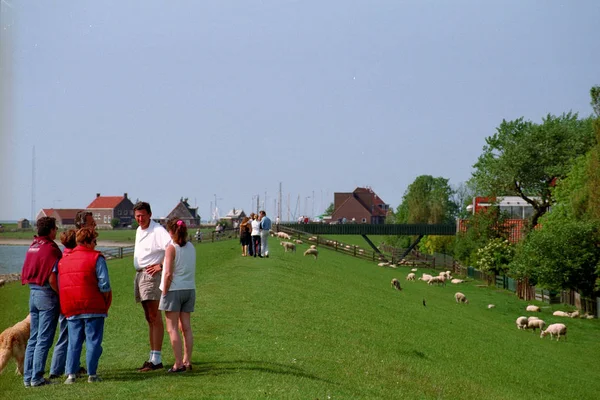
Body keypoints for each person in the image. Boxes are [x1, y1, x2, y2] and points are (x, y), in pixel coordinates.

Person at [58, 228, 112, 384]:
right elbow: (105, 284)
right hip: (93, 305)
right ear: (88, 242)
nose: (96, 244)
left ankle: (71, 374)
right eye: (95, 241)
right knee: (93, 341)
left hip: (72, 305)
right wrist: (105, 299)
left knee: (74, 341)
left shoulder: (64, 259)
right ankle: (92, 374)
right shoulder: (96, 258)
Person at [21, 216, 62, 387]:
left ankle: (27, 377)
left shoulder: (33, 246)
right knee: (44, 338)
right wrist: (60, 294)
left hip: (33, 292)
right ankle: (37, 377)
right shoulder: (51, 249)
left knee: (33, 338)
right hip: (46, 294)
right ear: (51, 230)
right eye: (55, 228)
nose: (57, 231)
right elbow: (53, 278)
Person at [133, 201, 172, 372]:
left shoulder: (157, 230)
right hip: (140, 274)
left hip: (151, 276)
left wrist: (161, 265)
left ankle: (156, 358)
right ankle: (153, 356)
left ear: (150, 214)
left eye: (142, 215)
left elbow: (172, 247)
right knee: (149, 317)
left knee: (154, 316)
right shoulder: (139, 230)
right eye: (137, 216)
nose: (140, 219)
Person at [158, 218, 196, 373]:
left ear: (172, 232)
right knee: (186, 327)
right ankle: (187, 361)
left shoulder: (171, 248)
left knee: (172, 328)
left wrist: (165, 290)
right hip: (189, 289)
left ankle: (178, 363)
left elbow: (167, 272)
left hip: (174, 290)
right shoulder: (192, 247)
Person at [49, 229, 87, 380]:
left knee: (63, 334)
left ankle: (55, 368)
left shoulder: (60, 256)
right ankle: (70, 368)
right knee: (75, 336)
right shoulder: (75, 257)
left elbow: (52, 277)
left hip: (63, 300)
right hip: (74, 300)